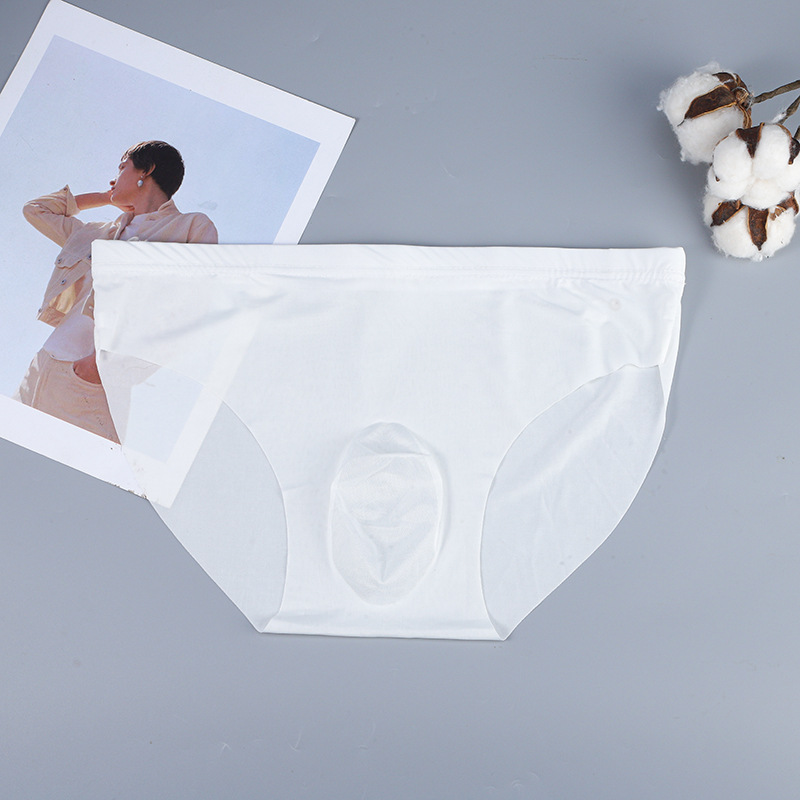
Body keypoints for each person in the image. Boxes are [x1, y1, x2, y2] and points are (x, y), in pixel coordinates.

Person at [14, 140, 218, 442]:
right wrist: (104, 198)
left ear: (146, 171)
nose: (115, 177)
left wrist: (101, 366)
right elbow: (36, 209)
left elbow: (192, 309)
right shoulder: (97, 233)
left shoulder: (190, 227)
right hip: (40, 368)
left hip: (90, 383)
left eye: (122, 167)